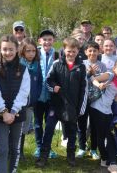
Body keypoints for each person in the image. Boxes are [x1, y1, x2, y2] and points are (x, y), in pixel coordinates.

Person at [36, 37, 87, 168]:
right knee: (48, 130)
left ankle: (70, 155)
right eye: (69, 51)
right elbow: (48, 80)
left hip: (72, 106)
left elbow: (83, 89)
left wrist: (80, 109)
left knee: (71, 132)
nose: (71, 54)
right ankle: (43, 155)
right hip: (55, 105)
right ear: (64, 50)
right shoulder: (57, 63)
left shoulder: (81, 67)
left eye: (74, 51)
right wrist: (53, 87)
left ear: (78, 51)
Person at [0, 35, 30, 173]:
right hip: (0, 115)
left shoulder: (24, 69)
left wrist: (13, 111)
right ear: (0, 50)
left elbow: (24, 92)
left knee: (15, 149)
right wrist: (4, 112)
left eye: (11, 49)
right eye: (5, 49)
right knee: (3, 150)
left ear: (17, 49)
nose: (8, 52)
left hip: (18, 113)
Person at [91, 59, 117, 173]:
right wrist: (99, 85)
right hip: (97, 108)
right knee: (102, 136)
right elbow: (93, 79)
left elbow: (114, 98)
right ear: (114, 68)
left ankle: (108, 160)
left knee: (109, 135)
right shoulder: (110, 74)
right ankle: (106, 159)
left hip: (108, 111)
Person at [77, 41, 108, 160]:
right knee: (82, 124)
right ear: (85, 52)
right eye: (90, 50)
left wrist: (98, 78)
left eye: (95, 50)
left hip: (96, 101)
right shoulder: (81, 64)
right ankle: (81, 148)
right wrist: (89, 73)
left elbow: (104, 80)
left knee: (95, 125)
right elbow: (79, 80)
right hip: (83, 100)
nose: (92, 53)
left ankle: (94, 149)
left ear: (99, 51)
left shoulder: (103, 65)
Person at [34, 29, 58, 159]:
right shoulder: (35, 54)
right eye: (44, 39)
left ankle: (47, 147)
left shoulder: (59, 55)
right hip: (38, 96)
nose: (47, 42)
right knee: (37, 123)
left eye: (49, 39)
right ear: (40, 41)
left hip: (52, 97)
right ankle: (39, 146)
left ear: (53, 41)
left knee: (49, 123)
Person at [19, 38, 41, 159]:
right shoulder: (18, 64)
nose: (31, 53)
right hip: (18, 103)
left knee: (25, 127)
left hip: (30, 103)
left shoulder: (37, 65)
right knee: (17, 127)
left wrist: (36, 96)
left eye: (33, 51)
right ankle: (15, 151)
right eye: (28, 51)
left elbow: (39, 82)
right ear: (22, 51)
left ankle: (21, 152)